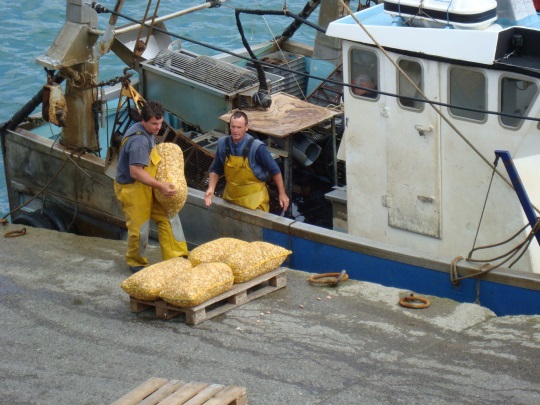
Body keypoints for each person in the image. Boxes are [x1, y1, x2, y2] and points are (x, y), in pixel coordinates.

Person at [114, 101, 188, 273]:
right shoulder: (139, 142)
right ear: (144, 121)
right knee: (139, 228)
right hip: (133, 189)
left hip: (148, 185)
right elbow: (136, 172)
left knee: (168, 215)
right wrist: (161, 186)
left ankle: (177, 258)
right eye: (154, 124)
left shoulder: (147, 132)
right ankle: (137, 263)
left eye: (160, 123)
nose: (158, 127)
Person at [205, 111, 289, 213]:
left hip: (255, 201)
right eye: (233, 127)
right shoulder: (222, 143)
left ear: (246, 127)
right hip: (231, 199)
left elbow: (275, 170)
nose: (235, 130)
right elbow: (216, 168)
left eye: (239, 127)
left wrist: (282, 194)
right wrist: (211, 188)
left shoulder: (257, 147)